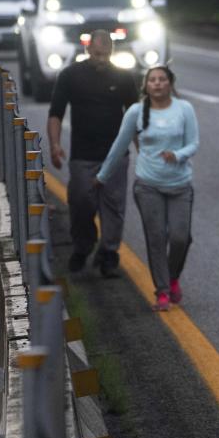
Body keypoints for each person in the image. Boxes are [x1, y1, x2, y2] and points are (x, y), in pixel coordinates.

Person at [96, 66, 199, 311]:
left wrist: (178, 154)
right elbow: (120, 145)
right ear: (146, 85)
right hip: (147, 185)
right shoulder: (136, 111)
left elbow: (193, 143)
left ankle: (172, 277)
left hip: (180, 185)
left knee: (180, 237)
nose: (157, 84)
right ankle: (162, 291)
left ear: (170, 83)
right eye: (152, 80)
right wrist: (102, 176)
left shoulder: (184, 109)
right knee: (156, 238)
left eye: (162, 79)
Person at [47, 29, 139, 276]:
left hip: (115, 154)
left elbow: (135, 117)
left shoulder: (123, 78)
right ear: (88, 50)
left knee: (114, 206)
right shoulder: (70, 76)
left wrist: (143, 153)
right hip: (82, 154)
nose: (101, 59)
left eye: (106, 55)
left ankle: (109, 254)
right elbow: (56, 113)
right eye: (97, 54)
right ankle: (83, 245)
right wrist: (55, 145)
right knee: (80, 202)